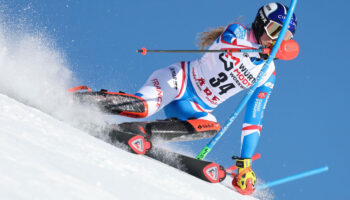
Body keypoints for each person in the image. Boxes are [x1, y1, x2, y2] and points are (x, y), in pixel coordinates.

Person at [75, 2, 297, 195]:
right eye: (275, 31)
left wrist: (244, 163)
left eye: (285, 37)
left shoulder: (268, 74)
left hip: (194, 107)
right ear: (260, 23)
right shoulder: (238, 33)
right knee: (141, 106)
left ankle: (140, 130)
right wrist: (257, 53)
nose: (276, 41)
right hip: (178, 82)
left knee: (211, 126)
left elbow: (253, 121)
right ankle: (85, 98)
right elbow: (229, 43)